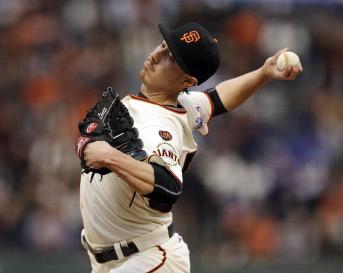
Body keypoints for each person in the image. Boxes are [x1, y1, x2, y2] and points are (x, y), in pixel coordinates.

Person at [79, 22, 302, 273]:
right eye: (163, 46)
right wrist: (263, 73)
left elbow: (168, 186)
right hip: (117, 260)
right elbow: (216, 99)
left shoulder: (161, 127)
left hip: (148, 258)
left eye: (170, 58)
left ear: (188, 79)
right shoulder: (181, 106)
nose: (156, 55)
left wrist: (110, 156)